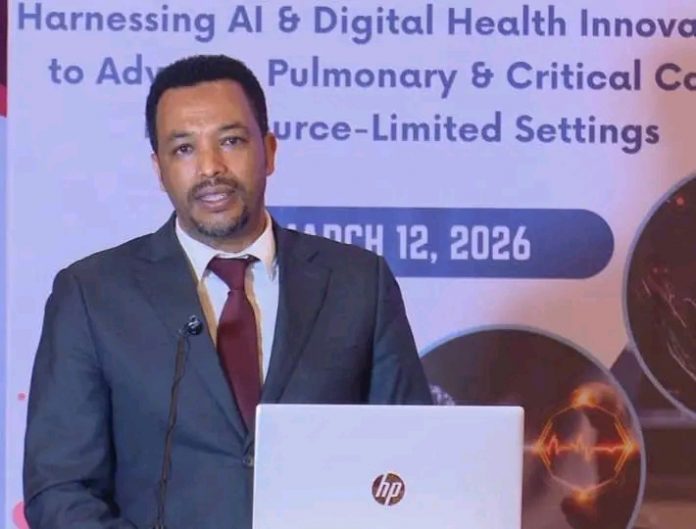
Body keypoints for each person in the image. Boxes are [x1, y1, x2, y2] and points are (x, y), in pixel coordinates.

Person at [22, 54, 432, 529]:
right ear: (158, 169)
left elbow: (412, 460)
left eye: (231, 141)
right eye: (183, 149)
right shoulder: (92, 295)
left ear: (269, 152)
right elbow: (61, 488)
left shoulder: (358, 283)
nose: (210, 168)